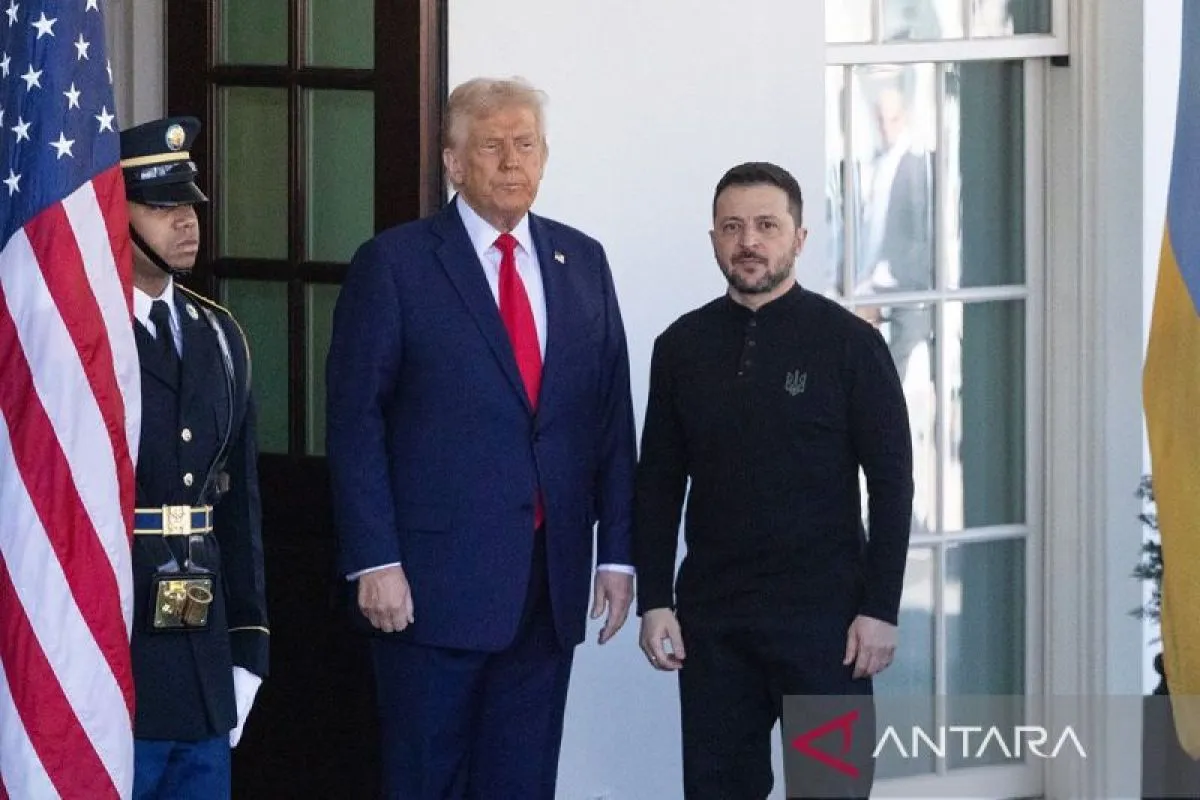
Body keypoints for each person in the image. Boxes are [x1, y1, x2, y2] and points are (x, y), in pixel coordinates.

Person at [325, 77, 637, 800]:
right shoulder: (396, 264)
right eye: (492, 145)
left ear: (545, 156)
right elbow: (355, 421)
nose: (511, 160)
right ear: (453, 162)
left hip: (547, 588)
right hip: (430, 590)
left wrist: (616, 553)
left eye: (525, 144)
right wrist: (375, 558)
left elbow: (609, 419)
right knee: (426, 781)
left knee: (522, 783)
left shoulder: (582, 261)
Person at [634, 162, 914, 799]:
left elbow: (893, 484)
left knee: (832, 790)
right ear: (713, 238)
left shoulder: (851, 345)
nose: (748, 242)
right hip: (714, 625)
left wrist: (880, 609)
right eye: (732, 227)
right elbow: (657, 484)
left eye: (766, 225)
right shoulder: (679, 347)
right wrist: (655, 601)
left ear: (799, 238)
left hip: (829, 628)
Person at [120, 116, 268, 800]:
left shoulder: (219, 334)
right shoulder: (84, 333)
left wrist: (249, 644)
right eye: (161, 206)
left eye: (190, 205)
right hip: (113, 643)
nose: (186, 222)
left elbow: (239, 507)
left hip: (201, 650)